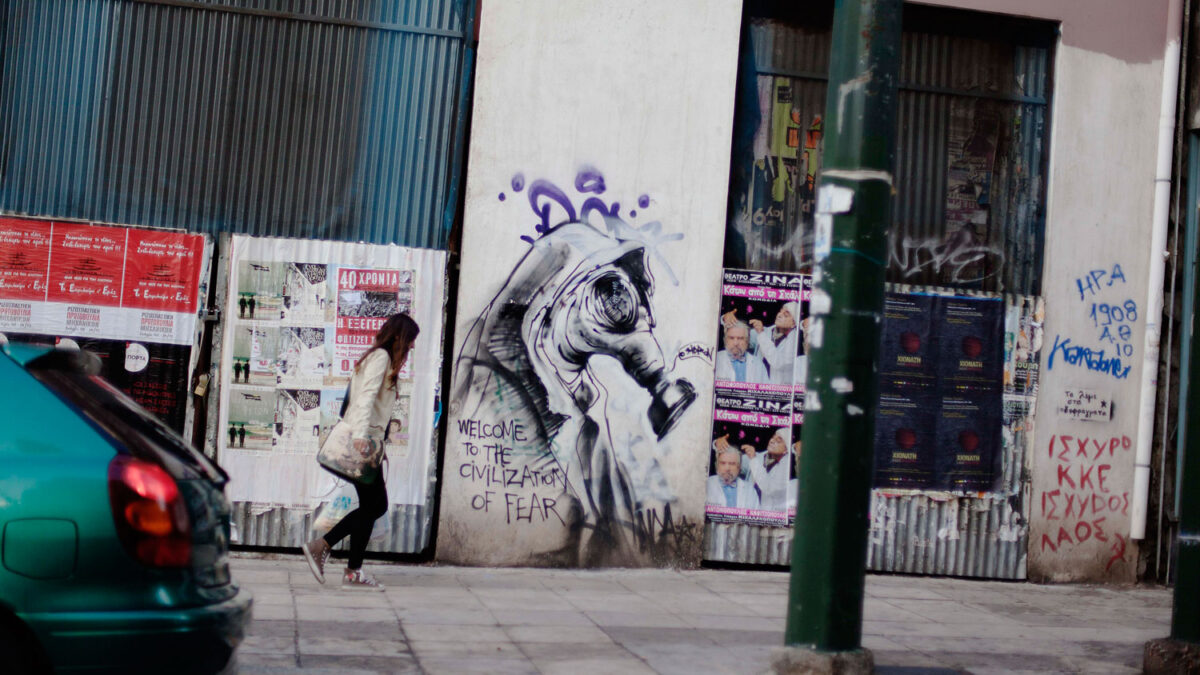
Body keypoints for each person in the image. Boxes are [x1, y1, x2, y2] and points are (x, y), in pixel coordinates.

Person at [303, 313, 419, 591]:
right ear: (400, 337)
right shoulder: (381, 357)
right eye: (411, 340)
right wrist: (360, 437)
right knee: (376, 506)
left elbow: (366, 400)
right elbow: (365, 397)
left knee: (371, 507)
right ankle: (323, 547)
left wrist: (381, 431)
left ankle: (352, 571)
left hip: (370, 442)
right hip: (363, 444)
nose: (412, 347)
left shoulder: (377, 357)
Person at [749, 302, 800, 386]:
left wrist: (761, 334)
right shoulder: (765, 331)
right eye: (780, 311)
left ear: (793, 324)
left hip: (777, 391)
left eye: (786, 315)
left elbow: (779, 363)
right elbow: (741, 336)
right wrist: (724, 318)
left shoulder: (794, 341)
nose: (779, 315)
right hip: (756, 386)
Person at [745, 428, 795, 512]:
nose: (772, 441)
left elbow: (770, 488)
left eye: (779, 440)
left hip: (770, 518)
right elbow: (736, 461)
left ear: (786, 450)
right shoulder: (758, 456)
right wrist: (717, 443)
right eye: (773, 437)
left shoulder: (786, 466)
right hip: (749, 513)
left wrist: (753, 459)